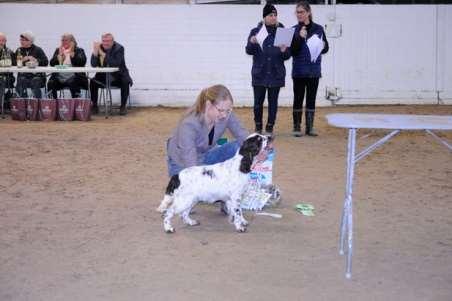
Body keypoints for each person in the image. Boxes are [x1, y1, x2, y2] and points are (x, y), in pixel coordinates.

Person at [166, 84, 249, 177]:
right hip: (182, 164)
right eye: (221, 110)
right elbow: (190, 161)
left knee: (241, 145)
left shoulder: (225, 113)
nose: (225, 115)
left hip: (205, 156)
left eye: (228, 110)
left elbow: (242, 134)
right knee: (214, 182)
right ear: (208, 105)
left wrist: (259, 151)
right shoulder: (189, 124)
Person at [245, 3, 291, 135]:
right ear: (264, 17)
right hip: (260, 73)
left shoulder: (282, 31)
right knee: (258, 103)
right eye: (271, 15)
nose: (274, 17)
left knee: (273, 103)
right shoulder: (255, 31)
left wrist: (284, 50)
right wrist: (252, 42)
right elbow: (249, 51)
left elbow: (287, 56)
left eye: (275, 15)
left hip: (276, 73)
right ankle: (258, 126)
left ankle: (270, 127)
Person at [290, 1, 329, 137]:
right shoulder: (294, 30)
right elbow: (293, 52)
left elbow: (326, 48)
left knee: (311, 99)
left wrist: (323, 45)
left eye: (301, 12)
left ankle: (310, 127)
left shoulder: (318, 29)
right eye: (297, 12)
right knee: (298, 99)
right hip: (299, 71)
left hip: (313, 71)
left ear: (308, 13)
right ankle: (296, 127)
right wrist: (300, 38)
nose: (299, 14)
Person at [90, 33, 132, 115]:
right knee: (93, 82)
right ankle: (94, 106)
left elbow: (115, 63)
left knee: (125, 82)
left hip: (118, 76)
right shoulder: (99, 47)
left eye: (108, 41)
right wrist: (95, 52)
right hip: (103, 76)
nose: (105, 43)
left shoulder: (119, 48)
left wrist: (101, 53)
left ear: (112, 41)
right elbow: (93, 65)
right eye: (103, 41)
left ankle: (123, 106)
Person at [47, 33, 88, 99]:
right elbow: (52, 64)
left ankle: (76, 105)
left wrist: (73, 55)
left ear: (72, 42)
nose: (63, 42)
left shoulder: (79, 50)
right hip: (59, 77)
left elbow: (82, 63)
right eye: (62, 40)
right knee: (51, 83)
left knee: (73, 82)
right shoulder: (58, 50)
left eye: (66, 40)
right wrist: (58, 57)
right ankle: (53, 104)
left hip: (75, 77)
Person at [15, 31, 48, 98]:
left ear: (30, 41)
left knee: (35, 80)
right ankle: (23, 102)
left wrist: (36, 60)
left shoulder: (38, 49)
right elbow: (13, 63)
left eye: (23, 40)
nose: (21, 42)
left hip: (37, 76)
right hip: (24, 75)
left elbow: (46, 62)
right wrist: (21, 60)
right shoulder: (19, 50)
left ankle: (37, 102)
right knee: (21, 80)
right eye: (21, 40)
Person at [0, 32, 16, 111]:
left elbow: (14, 63)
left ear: (5, 41)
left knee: (1, 81)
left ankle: (1, 106)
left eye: (2, 40)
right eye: (0, 40)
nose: (1, 42)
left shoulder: (9, 51)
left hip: (7, 76)